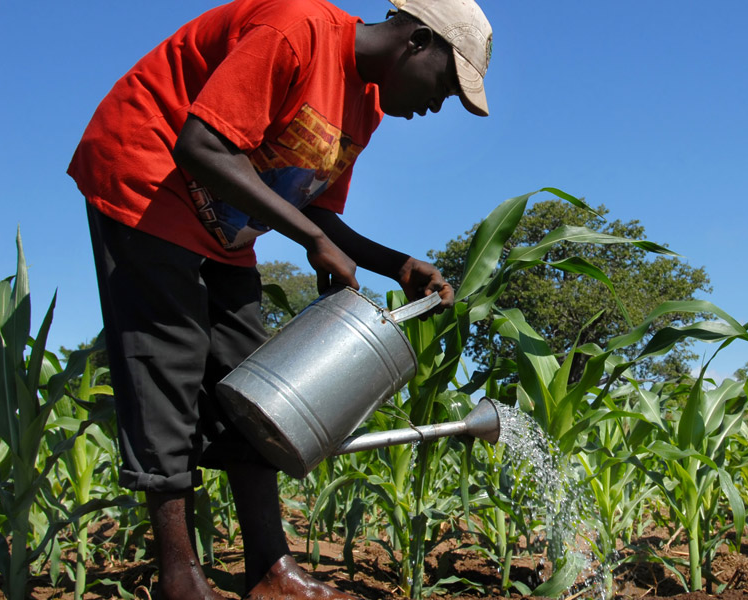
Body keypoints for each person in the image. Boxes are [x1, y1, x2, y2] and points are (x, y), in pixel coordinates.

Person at [67, 0, 492, 597]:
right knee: (168, 364)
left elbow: (312, 209)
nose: (437, 104)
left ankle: (270, 569)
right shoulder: (295, 31)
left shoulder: (363, 108)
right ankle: (179, 576)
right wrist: (312, 239)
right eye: (447, 84)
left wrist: (397, 265)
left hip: (225, 221)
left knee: (254, 376)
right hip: (149, 177)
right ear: (418, 40)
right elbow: (201, 147)